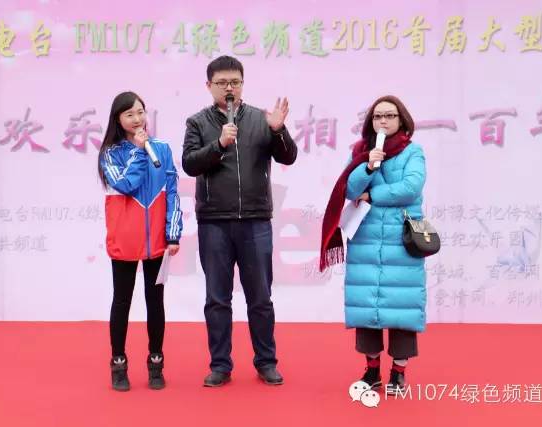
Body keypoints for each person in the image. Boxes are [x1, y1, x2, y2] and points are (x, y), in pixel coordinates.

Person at [182, 56, 298, 387]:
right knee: (217, 299)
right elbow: (189, 163)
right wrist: (219, 144)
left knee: (260, 298)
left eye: (235, 82)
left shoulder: (262, 119)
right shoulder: (197, 122)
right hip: (214, 222)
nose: (229, 88)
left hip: (255, 221)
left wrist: (278, 130)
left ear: (243, 84)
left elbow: (288, 156)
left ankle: (266, 362)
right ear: (209, 86)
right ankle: (220, 364)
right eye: (222, 83)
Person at [320, 95, 427, 394]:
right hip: (365, 238)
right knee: (366, 307)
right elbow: (349, 189)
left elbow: (411, 187)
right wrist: (368, 167)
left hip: (401, 240)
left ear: (401, 120)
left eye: (390, 116)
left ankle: (398, 373)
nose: (383, 121)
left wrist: (374, 195)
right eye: (378, 116)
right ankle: (371, 371)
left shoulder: (413, 152)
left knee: (402, 308)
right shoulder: (361, 151)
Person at [98, 91, 182, 391]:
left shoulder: (162, 149)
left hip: (156, 241)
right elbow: (126, 184)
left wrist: (173, 232)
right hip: (124, 240)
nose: (137, 119)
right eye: (130, 114)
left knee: (155, 301)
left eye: (140, 112)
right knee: (122, 301)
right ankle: (118, 362)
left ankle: (156, 362)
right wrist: (138, 151)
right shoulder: (110, 154)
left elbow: (172, 192)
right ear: (118, 119)